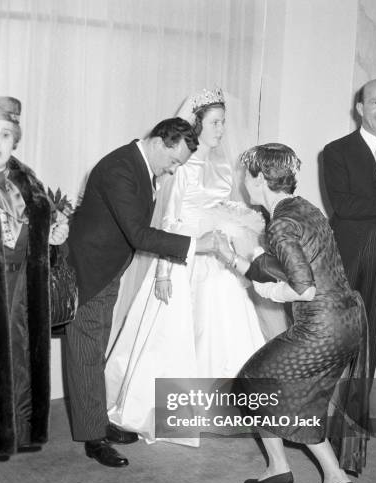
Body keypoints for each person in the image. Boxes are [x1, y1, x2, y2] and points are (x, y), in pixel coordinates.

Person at [105, 88, 283, 443]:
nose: (221, 129)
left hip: (219, 257)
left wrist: (233, 215)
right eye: (215, 122)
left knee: (227, 318)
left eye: (223, 122)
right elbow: (169, 220)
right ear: (197, 124)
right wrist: (163, 271)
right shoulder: (181, 163)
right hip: (184, 255)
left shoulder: (220, 163)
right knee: (177, 332)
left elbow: (221, 204)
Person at [215, 143, 369, 483]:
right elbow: (295, 267)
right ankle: (332, 477)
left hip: (322, 327)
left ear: (260, 178)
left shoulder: (282, 224)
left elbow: (304, 288)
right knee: (305, 400)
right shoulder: (305, 209)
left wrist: (260, 284)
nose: (243, 181)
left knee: (251, 385)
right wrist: (240, 262)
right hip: (348, 322)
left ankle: (280, 466)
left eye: (246, 174)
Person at [64, 117, 204, 468]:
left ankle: (97, 421)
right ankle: (93, 439)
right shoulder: (120, 168)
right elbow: (140, 235)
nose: (172, 171)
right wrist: (197, 245)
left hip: (105, 270)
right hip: (89, 273)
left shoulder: (139, 166)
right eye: (173, 161)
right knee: (85, 354)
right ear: (160, 141)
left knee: (94, 351)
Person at [0, 96, 69, 483]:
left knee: (13, 382)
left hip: (20, 296)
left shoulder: (27, 182)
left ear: (15, 138)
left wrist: (55, 239)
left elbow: (42, 240)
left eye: (4, 135)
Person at [323, 79, 376, 377]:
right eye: (375, 102)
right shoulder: (335, 152)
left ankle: (356, 418)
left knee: (369, 341)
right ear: (359, 108)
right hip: (349, 259)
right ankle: (327, 410)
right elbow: (344, 206)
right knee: (338, 338)